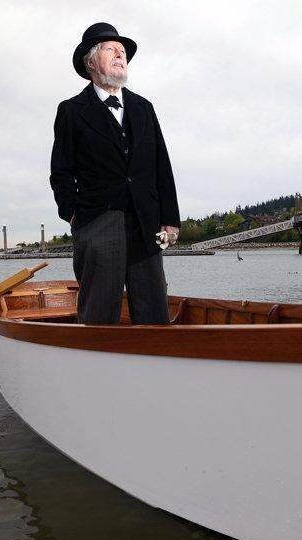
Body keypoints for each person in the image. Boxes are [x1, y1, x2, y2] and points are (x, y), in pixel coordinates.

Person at [50, 22, 181, 324]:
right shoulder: (71, 110)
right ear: (92, 61)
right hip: (97, 222)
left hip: (146, 223)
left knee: (153, 310)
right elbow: (60, 171)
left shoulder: (143, 108)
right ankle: (95, 368)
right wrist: (74, 214)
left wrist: (170, 220)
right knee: (98, 312)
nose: (121, 54)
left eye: (123, 52)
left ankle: (153, 366)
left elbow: (162, 166)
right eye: (112, 49)